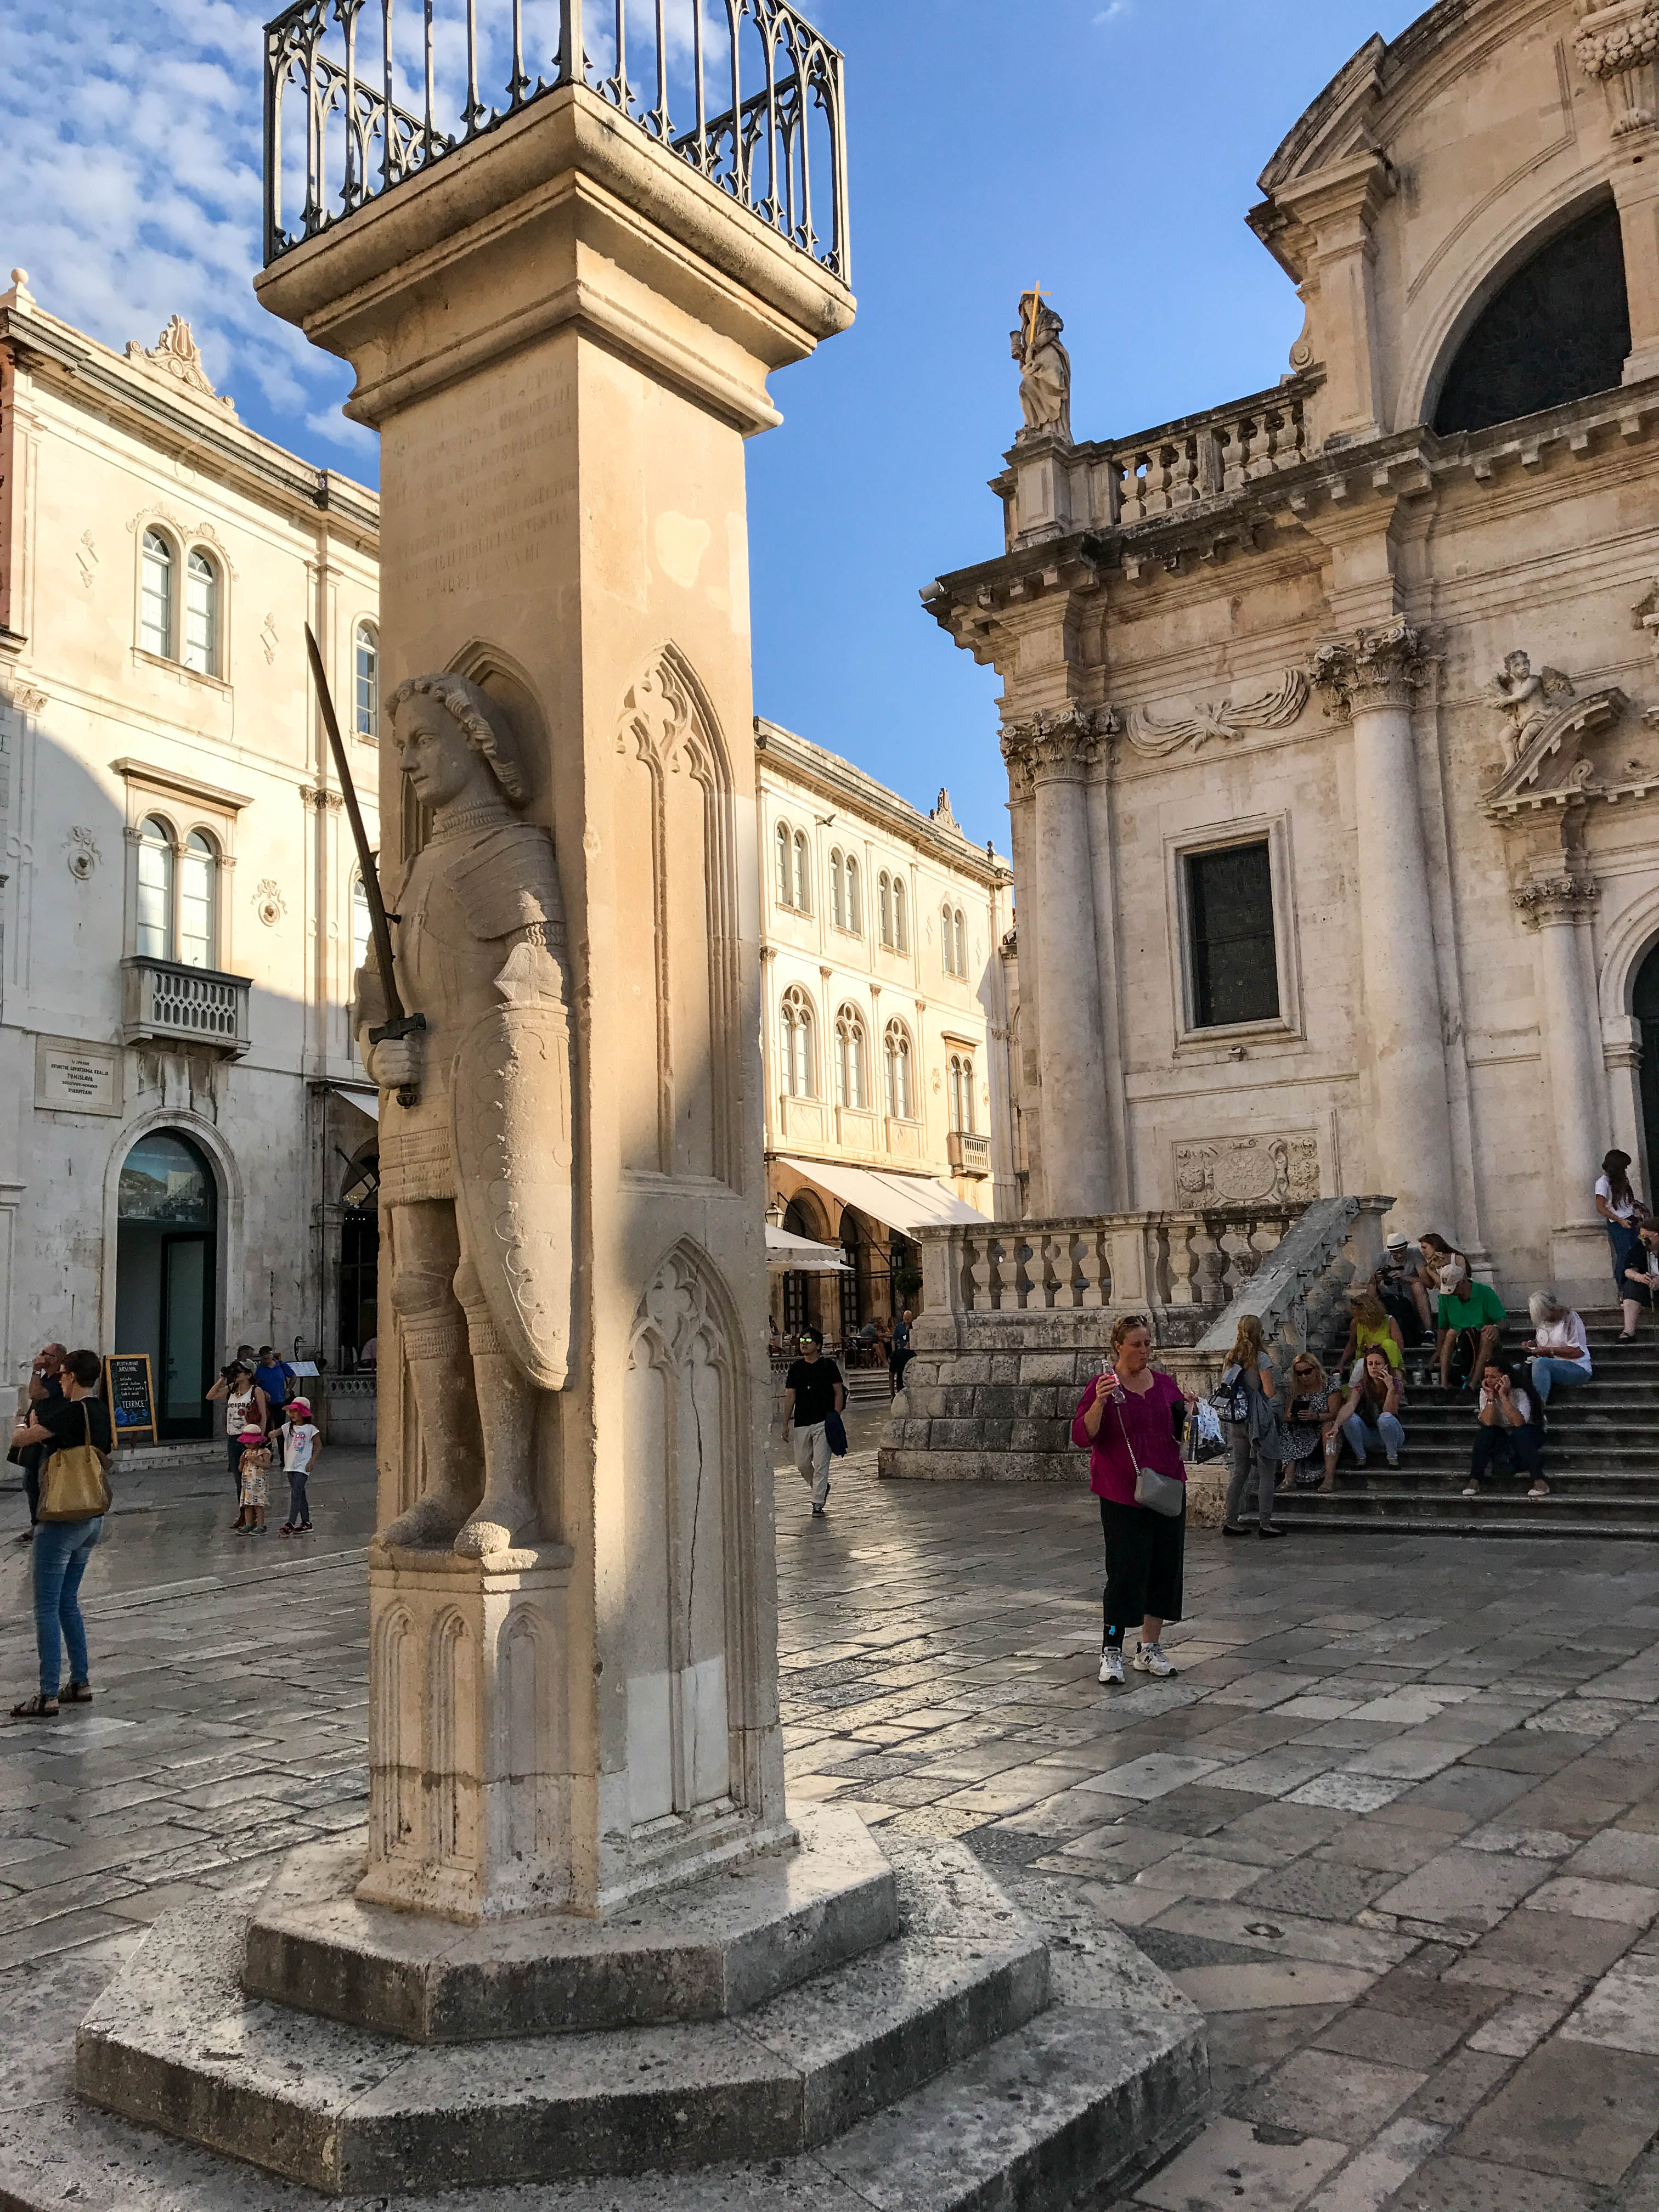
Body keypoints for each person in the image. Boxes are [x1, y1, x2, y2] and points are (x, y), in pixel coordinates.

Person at [1071, 1316, 1192, 1684]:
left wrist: (1190, 1413)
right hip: (1122, 1491)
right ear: (1118, 1347)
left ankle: (1150, 1648)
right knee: (1124, 1573)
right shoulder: (1104, 1385)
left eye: (1147, 1343)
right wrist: (1100, 1402)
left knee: (1164, 1569)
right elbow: (1082, 1434)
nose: (1144, 1351)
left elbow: (1180, 1433)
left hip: (1167, 1488)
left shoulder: (1166, 1385)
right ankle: (1112, 1650)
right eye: (1137, 1344)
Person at [8, 1348, 111, 1719]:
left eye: (63, 1376)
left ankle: (48, 1693)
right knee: (68, 1601)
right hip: (91, 1515)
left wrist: (23, 1421)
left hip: (61, 1516)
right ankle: (80, 1681)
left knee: (47, 1607)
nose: (61, 1381)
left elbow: (22, 1441)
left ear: (70, 1376)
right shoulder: (101, 1410)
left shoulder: (68, 1412)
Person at [1220, 1314, 1285, 1539]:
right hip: (1258, 1417)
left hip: (1237, 1418)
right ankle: (1265, 1524)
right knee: (1267, 1470)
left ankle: (1230, 1521)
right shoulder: (1260, 1358)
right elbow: (1269, 1392)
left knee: (1240, 1471)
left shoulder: (1230, 1357)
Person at [781, 1326, 844, 1518]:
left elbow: (838, 1391)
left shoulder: (828, 1366)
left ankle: (817, 1503)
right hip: (802, 1421)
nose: (804, 1344)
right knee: (802, 1464)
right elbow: (790, 1396)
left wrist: (836, 1415)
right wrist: (785, 1423)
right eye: (802, 1341)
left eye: (808, 1341)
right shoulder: (796, 1369)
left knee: (821, 1463)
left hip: (823, 1421)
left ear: (818, 1345)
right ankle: (821, 1488)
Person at [1463, 1359, 1548, 1500]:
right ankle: (1475, 1480)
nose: (1489, 1381)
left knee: (1520, 1432)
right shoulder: (1485, 1392)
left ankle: (1539, 1480)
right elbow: (1487, 1422)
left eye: (1494, 1377)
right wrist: (1491, 1398)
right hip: (1504, 1433)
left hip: (1528, 1432)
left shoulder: (1520, 1392)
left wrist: (1503, 1396)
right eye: (1486, 1377)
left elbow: (1519, 1422)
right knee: (1486, 1432)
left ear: (1505, 1377)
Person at [12, 1342, 66, 1547]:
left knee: (45, 1484)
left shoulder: (59, 1380)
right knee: (30, 1482)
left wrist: (35, 1370)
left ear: (55, 1359)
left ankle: (47, 1527)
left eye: (45, 1354)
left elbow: (35, 1394)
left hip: (52, 1440)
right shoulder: (47, 1378)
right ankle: (37, 1525)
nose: (39, 1356)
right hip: (38, 1438)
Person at [207, 1361, 268, 1525]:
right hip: (234, 1437)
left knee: (251, 1478)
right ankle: (244, 1513)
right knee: (238, 1476)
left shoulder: (256, 1391)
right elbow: (210, 1396)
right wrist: (221, 1379)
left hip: (250, 1439)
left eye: (240, 1371)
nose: (237, 1374)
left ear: (249, 1374)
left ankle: (254, 1514)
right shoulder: (232, 1388)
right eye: (236, 1371)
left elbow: (263, 1416)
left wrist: (260, 1440)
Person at [1596, 1151, 1649, 1339]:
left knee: (1635, 1253)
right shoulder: (1603, 1183)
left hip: (1631, 1220)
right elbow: (1601, 1207)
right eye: (1624, 1166)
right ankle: (1623, 1290)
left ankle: (1634, 1289)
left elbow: (1627, 1203)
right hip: (1619, 1223)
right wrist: (1619, 1220)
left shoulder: (1622, 1182)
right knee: (1624, 1255)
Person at [1435, 1257, 1505, 1390]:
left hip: (1480, 1335)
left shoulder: (1485, 1292)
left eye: (1454, 1288)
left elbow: (1504, 1321)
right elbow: (1443, 1327)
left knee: (1487, 1335)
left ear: (1462, 1282)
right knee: (1450, 1333)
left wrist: (1495, 1327)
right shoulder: (1445, 1297)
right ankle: (1444, 1386)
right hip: (1458, 1338)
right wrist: (1439, 1350)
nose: (1452, 1293)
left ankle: (1472, 1385)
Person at [1282, 1352, 1344, 1490]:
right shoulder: (1296, 1388)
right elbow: (1287, 1414)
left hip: (1324, 1425)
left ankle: (1329, 1479)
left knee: (1329, 1428)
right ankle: (1289, 1478)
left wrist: (1315, 1416)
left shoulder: (1330, 1385)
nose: (1304, 1376)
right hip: (1304, 1429)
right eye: (1299, 1373)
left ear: (1316, 1369)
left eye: (1307, 1372)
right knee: (1286, 1427)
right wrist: (1291, 1415)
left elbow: (1335, 1413)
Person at [1339, 1346, 1406, 1468]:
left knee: (1385, 1418)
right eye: (1370, 1364)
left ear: (1386, 1365)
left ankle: (1392, 1458)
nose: (1374, 1367)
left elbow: (1390, 1411)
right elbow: (1350, 1405)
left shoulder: (1396, 1384)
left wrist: (1390, 1389)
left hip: (1392, 1434)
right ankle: (1361, 1458)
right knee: (1349, 1418)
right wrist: (1335, 1426)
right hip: (1369, 1433)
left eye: (1378, 1363)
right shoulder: (1361, 1386)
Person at [1523, 1291, 1592, 1407]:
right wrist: (1532, 1345)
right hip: (1551, 1363)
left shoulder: (1570, 1318)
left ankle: (1538, 1409)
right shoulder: (1542, 1321)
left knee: (1541, 1364)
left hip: (1577, 1366)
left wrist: (1549, 1350)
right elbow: (1544, 1342)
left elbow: (1577, 1352)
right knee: (1518, 1369)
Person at [1339, 1289, 1407, 1389]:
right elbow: (1352, 1344)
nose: (1358, 1319)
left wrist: (1380, 1348)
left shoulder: (1389, 1321)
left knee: (1390, 1344)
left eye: (1360, 1315)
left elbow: (1399, 1349)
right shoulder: (1356, 1323)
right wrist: (1341, 1363)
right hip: (1365, 1362)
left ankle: (1397, 1387)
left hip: (1388, 1362)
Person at [1375, 1232, 1432, 1341]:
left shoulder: (1415, 1254)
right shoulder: (1382, 1259)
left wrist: (1404, 1278)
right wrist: (1377, 1279)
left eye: (1402, 1252)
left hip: (1412, 1300)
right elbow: (1372, 1285)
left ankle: (1429, 1332)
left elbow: (1429, 1283)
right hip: (1391, 1302)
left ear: (1406, 1247)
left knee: (1418, 1286)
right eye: (1395, 1253)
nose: (1400, 1256)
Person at [279, 1398, 320, 1535]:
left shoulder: (311, 1429)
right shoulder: (288, 1427)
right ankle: (306, 1522)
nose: (292, 1414)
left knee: (296, 1493)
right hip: (290, 1466)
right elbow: (277, 1432)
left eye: (295, 1411)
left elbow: (318, 1446)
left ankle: (291, 1522)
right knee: (300, 1493)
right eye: (291, 1412)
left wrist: (312, 1461)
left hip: (303, 1467)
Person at [1621, 1224, 1659, 1336]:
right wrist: (1640, 1277)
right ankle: (1629, 1331)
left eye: (1648, 1237)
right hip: (1649, 1290)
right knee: (1631, 1286)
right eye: (1642, 1237)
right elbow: (1628, 1271)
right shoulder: (1639, 1248)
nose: (1645, 1241)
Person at [253, 1346, 296, 1442]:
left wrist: (288, 1389)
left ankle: (283, 1454)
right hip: (266, 1404)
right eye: (263, 1358)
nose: (266, 1359)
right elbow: (255, 1383)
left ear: (272, 1355)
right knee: (267, 1429)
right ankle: (268, 1453)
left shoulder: (281, 1365)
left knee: (281, 1428)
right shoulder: (259, 1369)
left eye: (267, 1357)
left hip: (280, 1401)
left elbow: (293, 1376)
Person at [236, 1430, 271, 1534]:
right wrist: (242, 1461)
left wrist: (255, 1460)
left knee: (258, 1505)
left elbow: (267, 1465)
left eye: (250, 1443)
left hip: (259, 1482)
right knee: (248, 1505)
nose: (248, 1445)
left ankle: (260, 1525)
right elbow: (240, 1469)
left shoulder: (264, 1452)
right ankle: (248, 1524)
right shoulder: (246, 1452)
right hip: (247, 1483)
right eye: (246, 1443)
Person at [890, 1308, 914, 1397]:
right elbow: (894, 1339)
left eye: (908, 1318)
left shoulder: (914, 1327)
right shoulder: (899, 1327)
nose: (907, 1320)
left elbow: (891, 1375)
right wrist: (894, 1352)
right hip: (902, 1349)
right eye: (905, 1318)